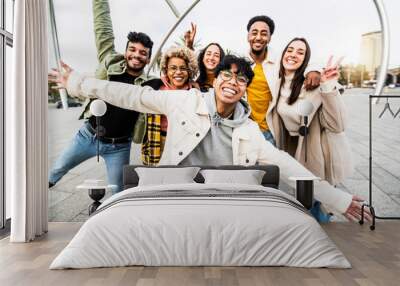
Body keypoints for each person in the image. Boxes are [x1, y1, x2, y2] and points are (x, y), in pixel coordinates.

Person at [49, 55, 371, 223]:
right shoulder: (185, 100)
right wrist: (78, 82)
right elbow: (131, 95)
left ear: (244, 88)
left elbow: (289, 167)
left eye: (241, 79)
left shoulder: (249, 132)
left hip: (220, 202)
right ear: (216, 81)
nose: (234, 82)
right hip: (173, 196)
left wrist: (338, 200)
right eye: (228, 76)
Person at [48, 0, 153, 194]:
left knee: (118, 192)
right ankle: (29, 204)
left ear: (148, 58)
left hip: (120, 146)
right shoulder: (110, 61)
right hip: (88, 136)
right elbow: (102, 28)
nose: (137, 55)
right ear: (126, 50)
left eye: (143, 53)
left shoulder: (149, 84)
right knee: (55, 170)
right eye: (133, 49)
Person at [267, 38, 354, 221]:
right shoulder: (278, 83)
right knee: (298, 212)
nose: (293, 55)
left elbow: (337, 125)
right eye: (290, 50)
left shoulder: (312, 86)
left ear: (305, 60)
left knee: (317, 209)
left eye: (300, 52)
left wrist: (328, 86)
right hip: (290, 151)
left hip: (314, 153)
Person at [245, 15, 321, 145]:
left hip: (269, 131)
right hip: (245, 129)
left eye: (264, 34)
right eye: (254, 33)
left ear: (269, 38)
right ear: (248, 36)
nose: (258, 37)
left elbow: (299, 59)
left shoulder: (278, 60)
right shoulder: (241, 62)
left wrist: (313, 70)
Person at [141, 46, 199, 165]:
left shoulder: (195, 91)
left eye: (183, 68)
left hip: (185, 141)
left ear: (189, 71)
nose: (178, 72)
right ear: (166, 69)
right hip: (158, 141)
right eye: (173, 68)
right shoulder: (155, 88)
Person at [184, 23, 225, 92]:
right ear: (202, 58)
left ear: (221, 60)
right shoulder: (195, 86)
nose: (211, 58)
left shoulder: (224, 84)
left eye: (216, 55)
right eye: (208, 54)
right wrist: (188, 46)